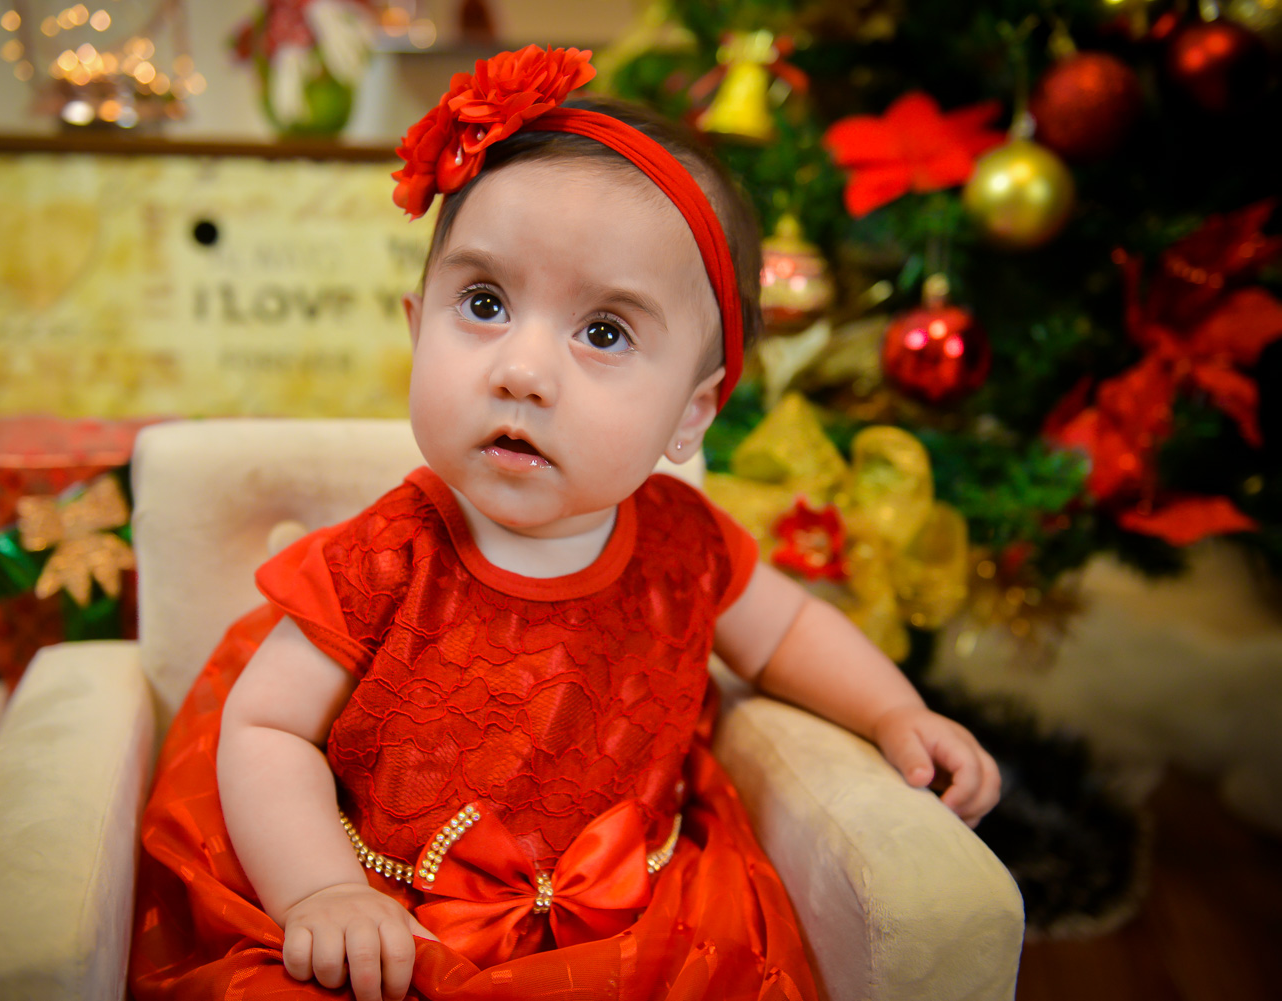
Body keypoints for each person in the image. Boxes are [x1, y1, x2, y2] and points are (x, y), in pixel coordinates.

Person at [130, 45, 1000, 1001]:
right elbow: (264, 727)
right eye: (485, 304)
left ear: (690, 414)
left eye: (605, 331)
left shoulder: (685, 547)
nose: (523, 370)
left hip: (630, 934)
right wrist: (322, 891)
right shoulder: (386, 556)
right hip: (393, 926)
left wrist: (893, 711)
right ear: (417, 330)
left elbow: (789, 632)